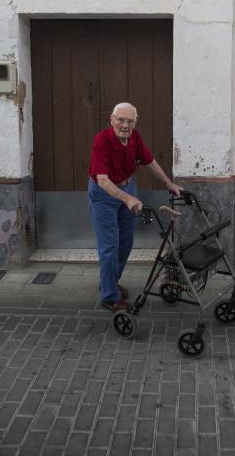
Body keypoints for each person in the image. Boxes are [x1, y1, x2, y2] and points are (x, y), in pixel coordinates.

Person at [89, 102, 182, 311]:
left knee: (126, 243)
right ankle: (110, 297)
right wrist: (127, 199)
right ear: (112, 119)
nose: (125, 125)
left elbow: (150, 162)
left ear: (135, 122)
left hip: (127, 187)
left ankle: (109, 282)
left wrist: (169, 183)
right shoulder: (102, 141)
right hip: (104, 195)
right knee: (110, 247)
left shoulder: (135, 138)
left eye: (130, 121)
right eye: (121, 120)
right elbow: (102, 180)